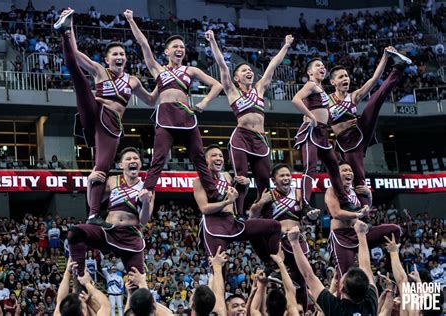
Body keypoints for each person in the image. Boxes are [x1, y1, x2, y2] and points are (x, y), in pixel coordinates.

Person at [53, 9, 157, 226]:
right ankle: (63, 29)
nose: (119, 57)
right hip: (94, 111)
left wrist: (164, 83)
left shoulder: (133, 81)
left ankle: (93, 214)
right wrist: (70, 28)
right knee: (79, 80)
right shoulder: (100, 71)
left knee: (100, 169)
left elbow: (150, 100)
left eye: (122, 54)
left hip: (110, 125)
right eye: (115, 55)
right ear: (107, 59)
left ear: (126, 59)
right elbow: (76, 54)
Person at [124, 9, 224, 204]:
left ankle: (213, 192)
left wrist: (203, 102)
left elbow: (217, 85)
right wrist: (130, 20)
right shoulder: (158, 70)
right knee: (159, 158)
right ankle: (147, 190)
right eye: (176, 46)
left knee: (199, 159)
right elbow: (143, 43)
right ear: (167, 51)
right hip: (166, 116)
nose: (180, 49)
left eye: (183, 47)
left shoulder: (190, 69)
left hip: (186, 116)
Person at [204, 30, 294, 216]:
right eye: (244, 70)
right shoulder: (232, 91)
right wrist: (212, 40)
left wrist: (285, 45)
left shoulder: (260, 89)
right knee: (241, 179)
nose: (249, 72)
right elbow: (221, 64)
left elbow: (273, 65)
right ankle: (236, 214)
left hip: (260, 139)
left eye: (250, 70)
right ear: (236, 78)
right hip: (241, 138)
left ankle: (267, 215)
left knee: (263, 181)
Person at [328, 48, 411, 206]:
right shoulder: (326, 101)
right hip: (349, 144)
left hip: (361, 129)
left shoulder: (354, 96)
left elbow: (374, 79)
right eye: (341, 77)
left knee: (375, 100)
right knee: (359, 180)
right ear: (333, 82)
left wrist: (385, 56)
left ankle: (399, 67)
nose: (346, 79)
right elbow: (322, 121)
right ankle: (363, 211)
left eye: (346, 76)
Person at [68, 147, 155, 275]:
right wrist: (90, 182)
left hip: (130, 236)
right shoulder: (113, 180)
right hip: (108, 231)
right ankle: (80, 275)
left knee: (137, 284)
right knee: (74, 232)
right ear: (121, 165)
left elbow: (143, 220)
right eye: (128, 159)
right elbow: (93, 204)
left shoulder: (146, 187)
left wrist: (146, 202)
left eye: (136, 158)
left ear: (140, 164)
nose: (133, 160)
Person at [194, 144, 281, 265]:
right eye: (214, 155)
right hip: (215, 226)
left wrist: (245, 185)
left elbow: (238, 197)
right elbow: (204, 209)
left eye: (220, 155)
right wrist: (227, 202)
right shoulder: (198, 181)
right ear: (206, 160)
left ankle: (271, 264)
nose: (219, 158)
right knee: (219, 268)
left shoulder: (226, 176)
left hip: (232, 222)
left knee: (274, 226)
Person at [249, 163, 319, 311]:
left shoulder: (298, 193)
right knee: (281, 283)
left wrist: (311, 215)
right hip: (278, 242)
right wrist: (261, 202)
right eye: (282, 175)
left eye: (288, 175)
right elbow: (252, 216)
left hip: (297, 241)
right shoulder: (268, 194)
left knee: (302, 280)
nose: (286, 178)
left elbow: (307, 215)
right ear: (274, 180)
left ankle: (303, 312)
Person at [292, 58, 358, 213]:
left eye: (323, 66)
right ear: (309, 72)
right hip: (311, 131)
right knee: (311, 168)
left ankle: (344, 199)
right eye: (317, 66)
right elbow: (295, 100)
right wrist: (311, 116)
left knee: (334, 167)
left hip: (322, 133)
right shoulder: (311, 84)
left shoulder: (322, 90)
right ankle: (305, 204)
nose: (322, 67)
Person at [325, 161, 401, 283]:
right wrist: (358, 214)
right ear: (336, 175)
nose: (348, 172)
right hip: (342, 236)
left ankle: (389, 269)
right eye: (344, 170)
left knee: (394, 230)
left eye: (350, 170)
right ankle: (341, 300)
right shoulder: (332, 190)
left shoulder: (355, 191)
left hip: (360, 233)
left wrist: (369, 195)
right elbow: (336, 213)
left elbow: (365, 209)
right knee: (345, 277)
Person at [288, 221, 378, 315]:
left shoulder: (336, 308)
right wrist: (361, 234)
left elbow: (309, 276)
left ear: (341, 287)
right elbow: (366, 269)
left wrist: (294, 242)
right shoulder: (370, 305)